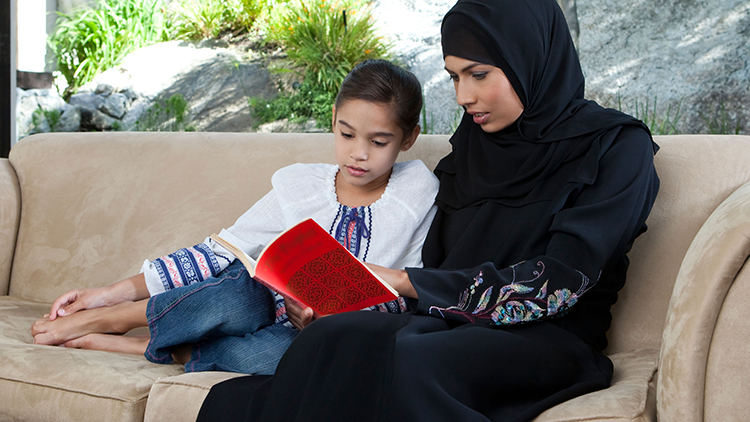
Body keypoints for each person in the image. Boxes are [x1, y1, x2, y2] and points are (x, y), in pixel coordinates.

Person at [196, 0, 660, 420]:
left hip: (549, 341)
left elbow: (555, 286)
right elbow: (436, 271)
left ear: (529, 59)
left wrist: (399, 280)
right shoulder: (468, 157)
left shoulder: (616, 147)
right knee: (331, 339)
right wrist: (341, 303)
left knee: (410, 361)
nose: (463, 96)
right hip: (446, 329)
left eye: (478, 74)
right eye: (455, 77)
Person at [30, 59, 439, 375]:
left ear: (408, 138)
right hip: (260, 305)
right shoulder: (301, 185)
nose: (358, 153)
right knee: (233, 290)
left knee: (280, 359)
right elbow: (218, 251)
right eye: (346, 134)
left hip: (324, 334)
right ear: (333, 120)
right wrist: (110, 292)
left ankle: (151, 347)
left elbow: (410, 290)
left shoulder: (417, 194)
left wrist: (322, 320)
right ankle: (110, 319)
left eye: (379, 141)